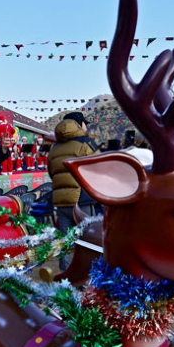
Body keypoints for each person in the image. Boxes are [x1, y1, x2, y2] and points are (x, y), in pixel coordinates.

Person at [48, 113, 99, 271]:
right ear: (79, 124)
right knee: (87, 240)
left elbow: (52, 173)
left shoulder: (55, 147)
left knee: (65, 242)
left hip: (61, 202)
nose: (87, 126)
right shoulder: (86, 143)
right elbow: (99, 168)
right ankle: (86, 279)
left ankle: (66, 281)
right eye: (85, 123)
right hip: (82, 200)